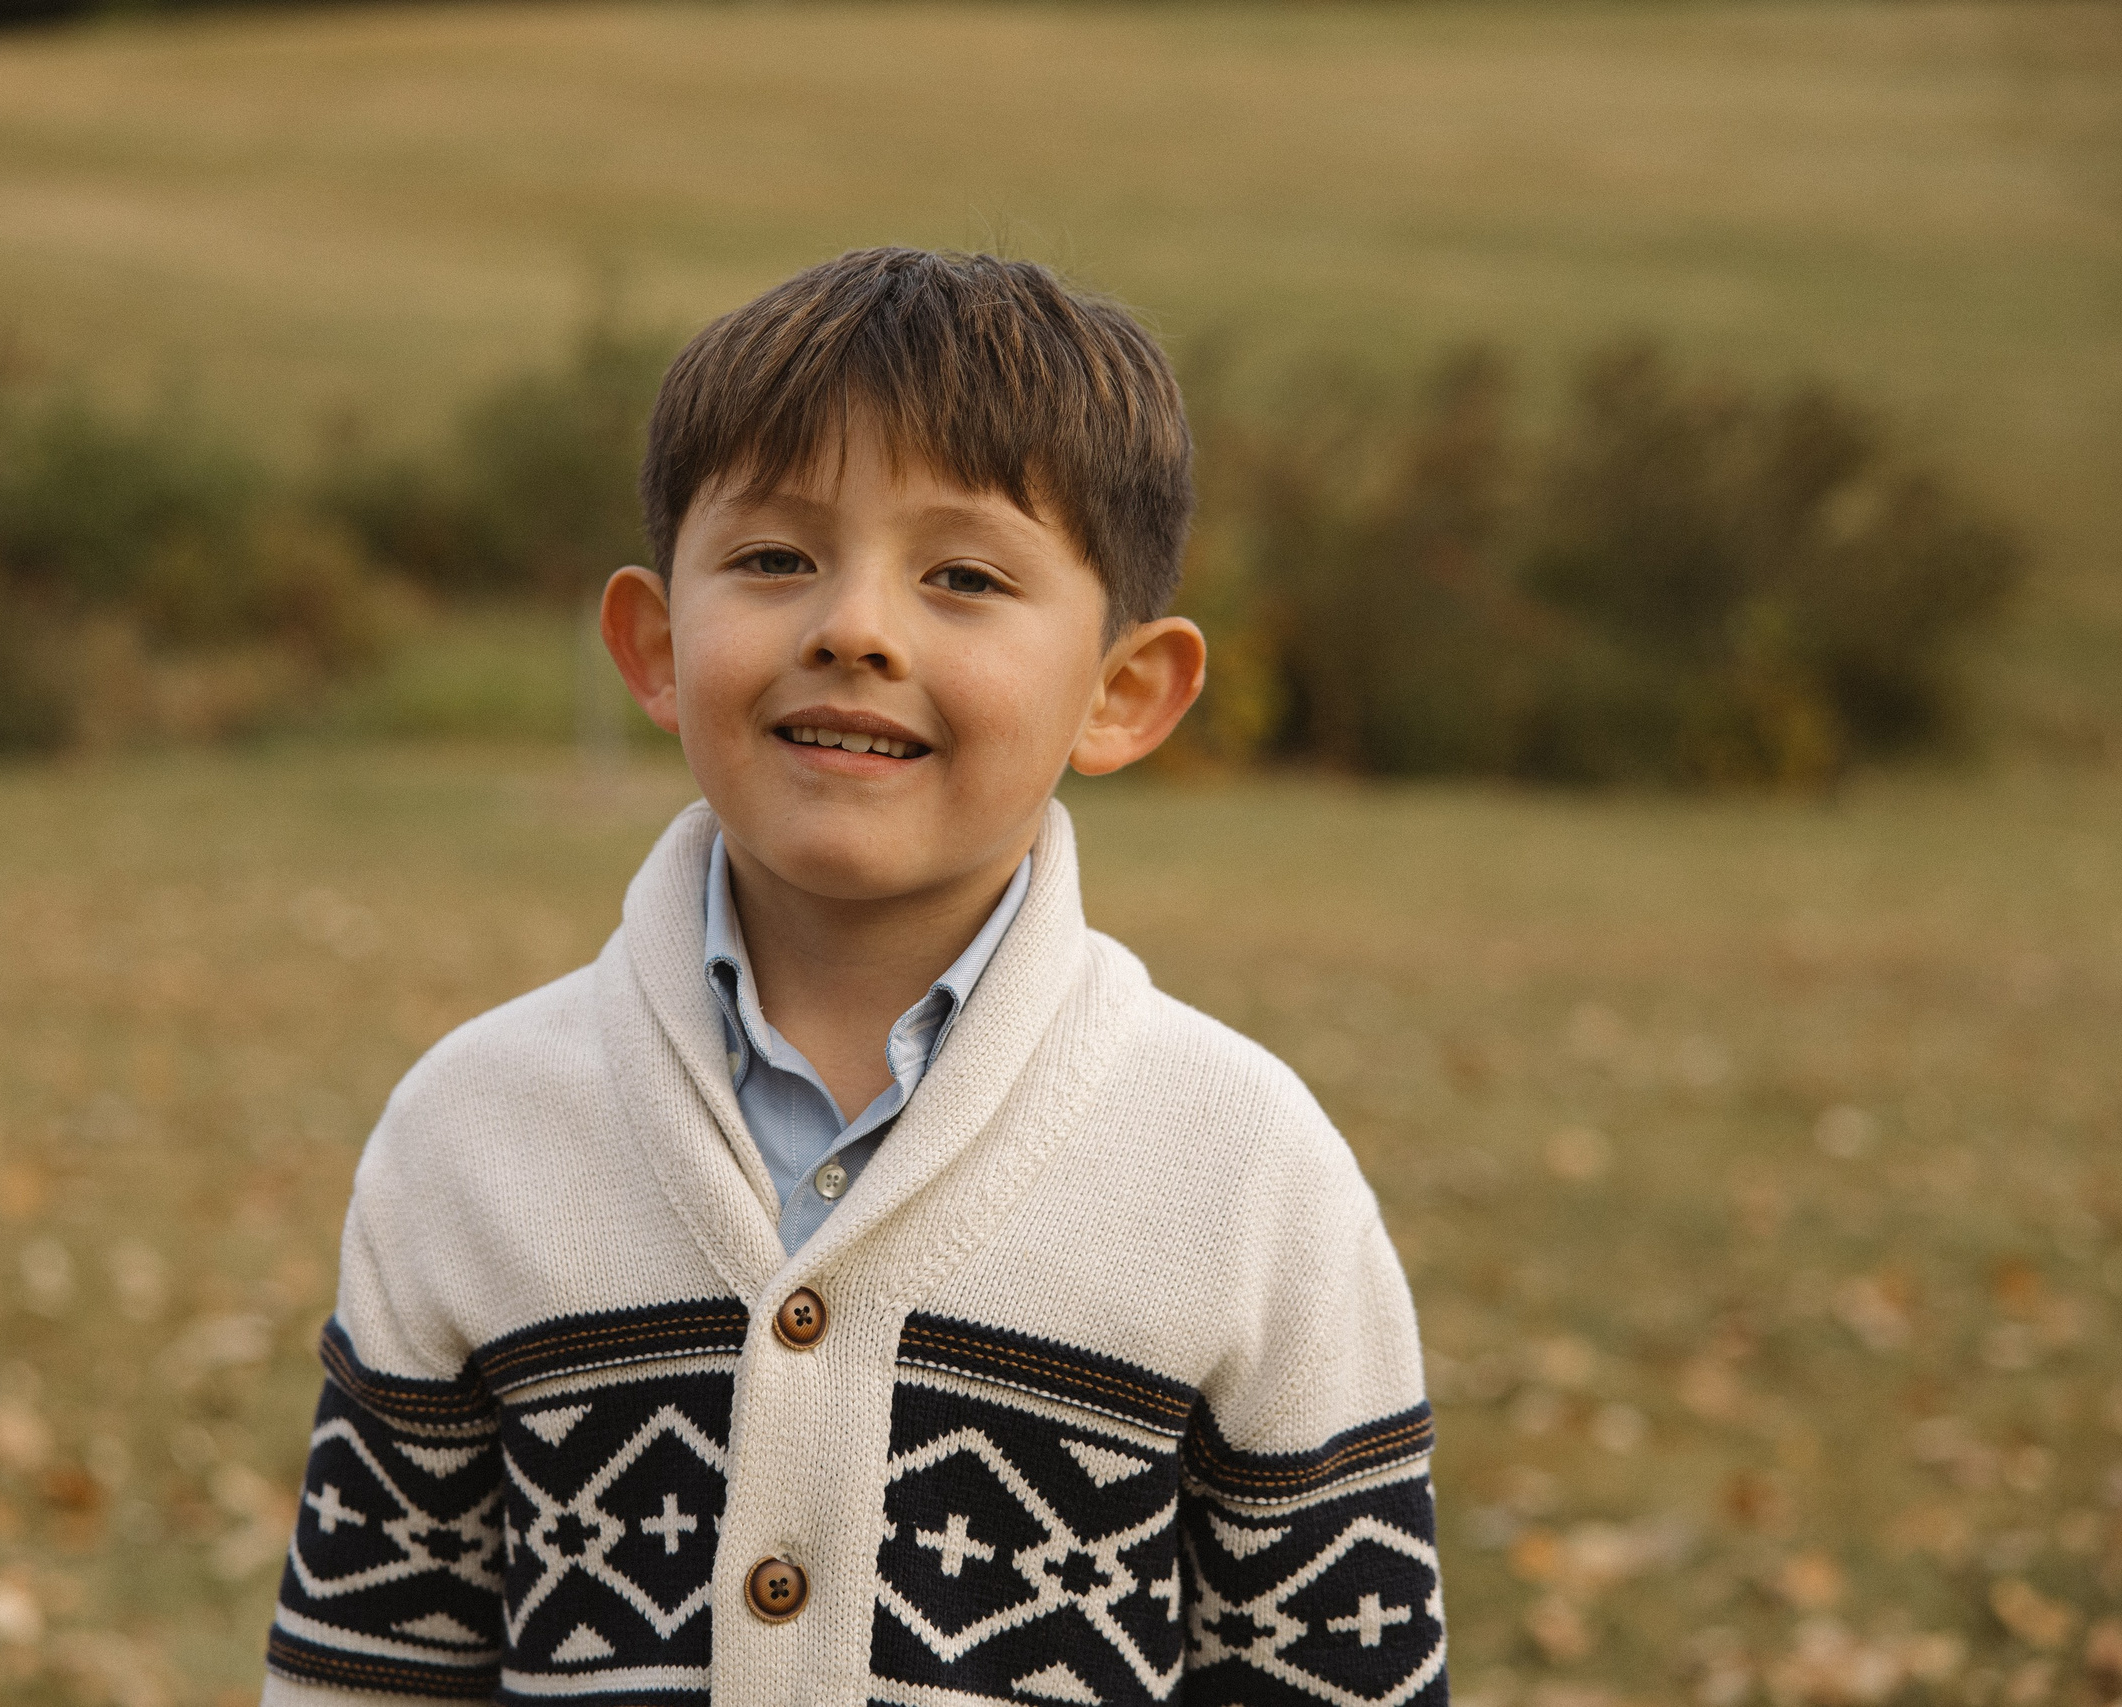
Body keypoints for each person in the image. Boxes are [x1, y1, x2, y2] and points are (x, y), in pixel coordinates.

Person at [258, 248, 1445, 1707]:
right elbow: (366, 1672)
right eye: (773, 560)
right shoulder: (471, 1132)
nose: (856, 627)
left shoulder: (1248, 1171)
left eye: (964, 576)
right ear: (653, 645)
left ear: (1121, 695)